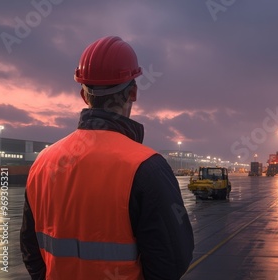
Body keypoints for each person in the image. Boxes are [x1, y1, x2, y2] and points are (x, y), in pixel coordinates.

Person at [20, 36, 194, 279]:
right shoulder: (147, 168)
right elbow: (172, 261)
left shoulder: (42, 162)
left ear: (83, 95)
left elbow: (30, 251)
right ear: (133, 92)